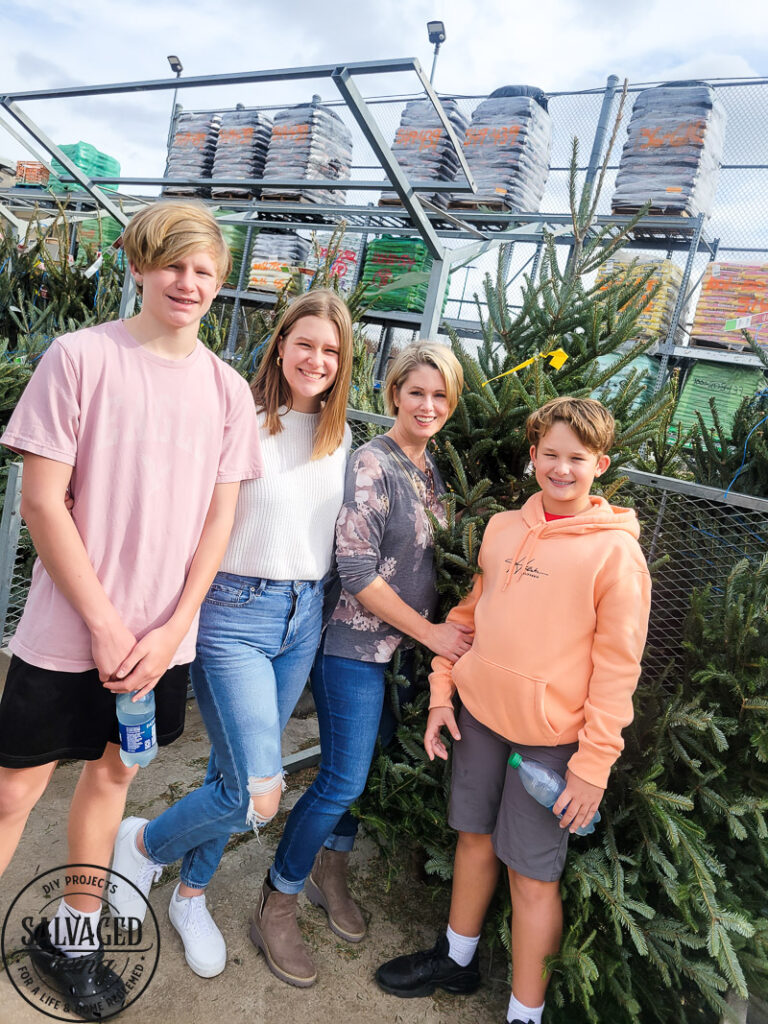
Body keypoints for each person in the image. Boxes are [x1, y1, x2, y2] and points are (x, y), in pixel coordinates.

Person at [0, 201, 263, 1018]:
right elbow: (44, 504)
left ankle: (70, 939)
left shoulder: (225, 391)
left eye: (204, 270)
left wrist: (174, 626)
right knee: (13, 791)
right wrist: (110, 626)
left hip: (161, 645)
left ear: (220, 284)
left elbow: (221, 519)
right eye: (173, 264)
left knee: (114, 777)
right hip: (68, 634)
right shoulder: (79, 359)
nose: (188, 282)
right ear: (141, 267)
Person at [375, 396, 652, 1024]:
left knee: (532, 876)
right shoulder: (504, 529)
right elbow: (468, 622)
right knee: (472, 840)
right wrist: (442, 693)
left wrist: (594, 764)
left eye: (576, 458)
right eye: (550, 455)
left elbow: (618, 668)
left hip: (552, 743)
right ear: (532, 459)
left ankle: (525, 1012)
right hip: (479, 719)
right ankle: (458, 957)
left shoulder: (616, 555)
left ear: (599, 464)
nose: (561, 469)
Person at [109, 289, 354, 979]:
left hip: (301, 618)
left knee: (230, 775)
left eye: (332, 351)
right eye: (305, 343)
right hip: (232, 614)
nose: (317, 358)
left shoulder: (341, 440)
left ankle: (191, 895)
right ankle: (146, 844)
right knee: (257, 792)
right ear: (280, 345)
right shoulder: (238, 419)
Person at [250, 340, 472, 989]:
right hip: (350, 646)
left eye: (439, 395)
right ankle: (278, 899)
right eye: (416, 392)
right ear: (394, 394)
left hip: (396, 653)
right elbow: (356, 570)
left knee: (360, 774)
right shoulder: (373, 463)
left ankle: (330, 872)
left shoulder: (427, 466)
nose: (427, 404)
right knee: (342, 779)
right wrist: (431, 633)